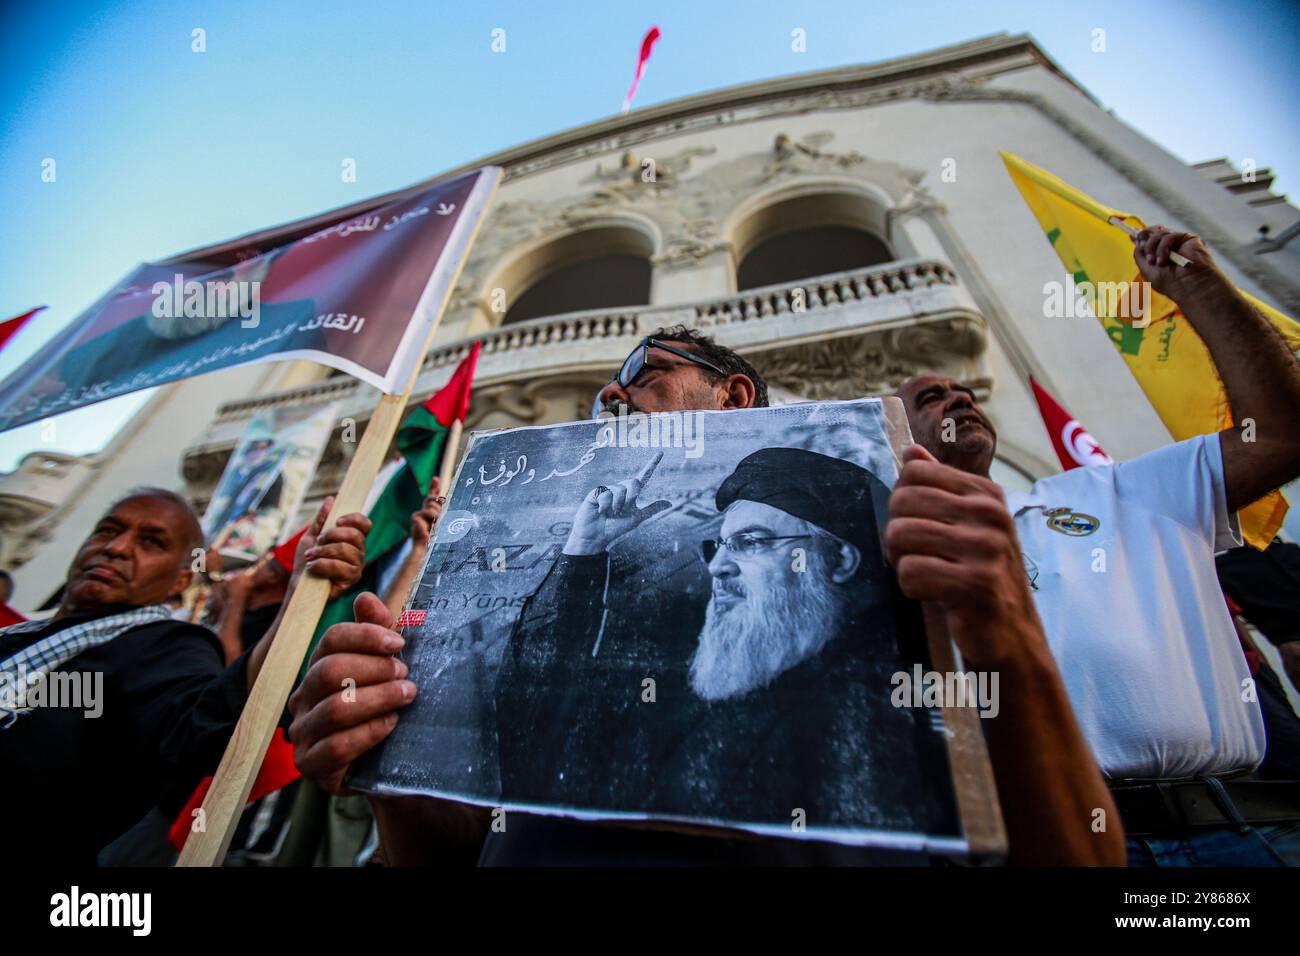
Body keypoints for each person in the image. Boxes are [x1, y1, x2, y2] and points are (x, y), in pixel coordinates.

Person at [289, 326, 1123, 866]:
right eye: (717, 544)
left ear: (734, 398)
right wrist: (391, 763)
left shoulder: (909, 588)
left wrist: (1010, 637)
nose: (611, 395)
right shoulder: (621, 565)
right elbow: (472, 828)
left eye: (641, 374)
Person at [895, 225, 1300, 866]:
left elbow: (1279, 437)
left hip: (1241, 834)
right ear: (892, 429)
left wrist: (1202, 292)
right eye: (932, 397)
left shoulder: (1119, 491)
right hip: (1049, 849)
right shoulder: (884, 553)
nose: (962, 399)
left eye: (964, 391)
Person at [495, 447, 953, 836]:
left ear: (840, 560)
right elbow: (546, 728)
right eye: (720, 546)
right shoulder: (696, 678)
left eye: (751, 542)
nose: (718, 569)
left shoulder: (893, 706)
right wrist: (584, 551)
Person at [0, 486, 370, 865]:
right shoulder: (18, 637)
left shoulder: (166, 646)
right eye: (108, 530)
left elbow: (209, 721)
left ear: (180, 581)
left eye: (151, 543)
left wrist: (298, 598)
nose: (117, 547)